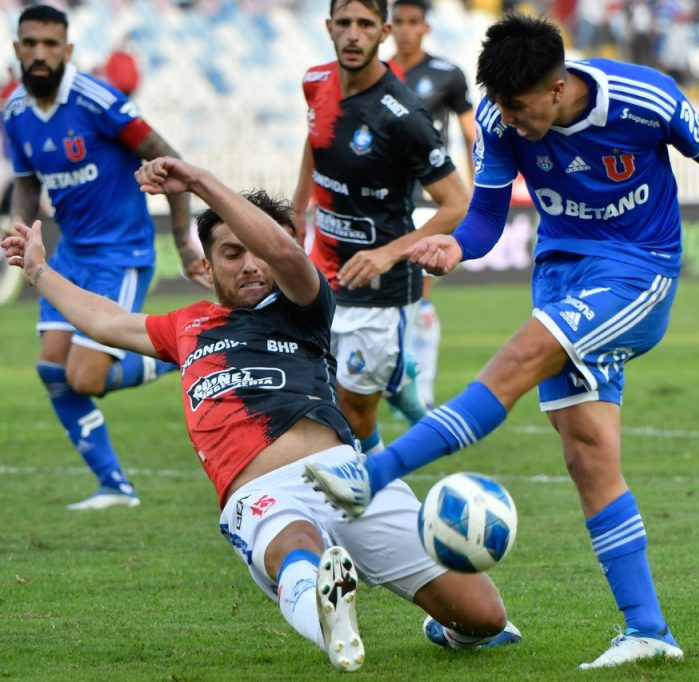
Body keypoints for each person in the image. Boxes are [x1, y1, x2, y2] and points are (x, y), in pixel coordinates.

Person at [304, 14, 699, 670]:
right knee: (588, 456)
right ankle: (647, 629)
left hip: (638, 272)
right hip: (561, 277)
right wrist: (453, 244)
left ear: (558, 88)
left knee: (517, 359)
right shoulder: (501, 122)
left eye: (519, 106)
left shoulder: (645, 99)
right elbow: (488, 218)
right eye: (499, 104)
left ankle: (371, 475)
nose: (507, 118)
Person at [2, 156, 519, 673]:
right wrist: (39, 270)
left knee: (485, 619)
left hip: (350, 478)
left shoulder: (302, 303)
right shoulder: (186, 326)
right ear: (206, 266)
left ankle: (432, 625)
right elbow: (108, 320)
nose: (250, 264)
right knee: (295, 544)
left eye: (257, 251)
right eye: (231, 253)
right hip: (259, 490)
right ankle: (330, 621)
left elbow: (282, 250)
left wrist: (201, 180)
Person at [2, 5, 205, 510]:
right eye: (31, 43)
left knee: (85, 378)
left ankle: (191, 352)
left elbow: (170, 161)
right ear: (17, 50)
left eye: (51, 44)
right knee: (54, 371)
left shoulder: (97, 101)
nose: (40, 53)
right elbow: (27, 182)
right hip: (69, 256)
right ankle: (116, 487)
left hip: (122, 252)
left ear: (68, 51)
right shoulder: (15, 112)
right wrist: (24, 231)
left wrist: (184, 245)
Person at [291, 0, 468, 457]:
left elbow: (455, 203)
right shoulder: (315, 82)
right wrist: (296, 210)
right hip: (323, 266)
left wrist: (389, 253)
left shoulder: (403, 114)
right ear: (329, 27)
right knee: (322, 397)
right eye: (344, 23)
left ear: (382, 32)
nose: (353, 34)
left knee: (354, 412)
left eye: (365, 24)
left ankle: (379, 497)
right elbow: (316, 141)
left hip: (378, 287)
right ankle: (397, 379)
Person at [387, 0, 478, 413]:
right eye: (399, 22)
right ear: (388, 28)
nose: (406, 30)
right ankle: (395, 379)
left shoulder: (448, 75)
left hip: (430, 200)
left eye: (413, 22)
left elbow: (470, 135)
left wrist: (479, 191)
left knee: (418, 291)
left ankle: (419, 387)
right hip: (386, 202)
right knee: (391, 296)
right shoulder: (378, 75)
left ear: (425, 27)